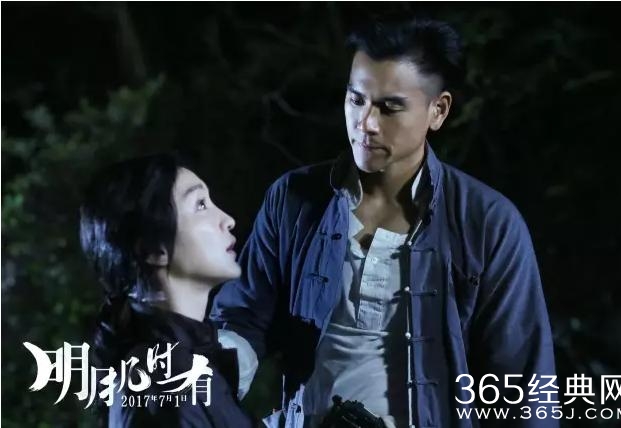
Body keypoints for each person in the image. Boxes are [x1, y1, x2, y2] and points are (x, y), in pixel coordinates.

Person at [212, 13, 558, 428]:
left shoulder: (487, 223)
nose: (366, 124)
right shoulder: (295, 200)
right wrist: (213, 374)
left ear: (438, 110)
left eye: (390, 108)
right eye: (356, 100)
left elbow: (522, 382)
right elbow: (243, 314)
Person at [80, 154, 256, 427]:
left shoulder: (183, 365)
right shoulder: (165, 384)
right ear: (153, 249)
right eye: (200, 204)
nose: (228, 220)